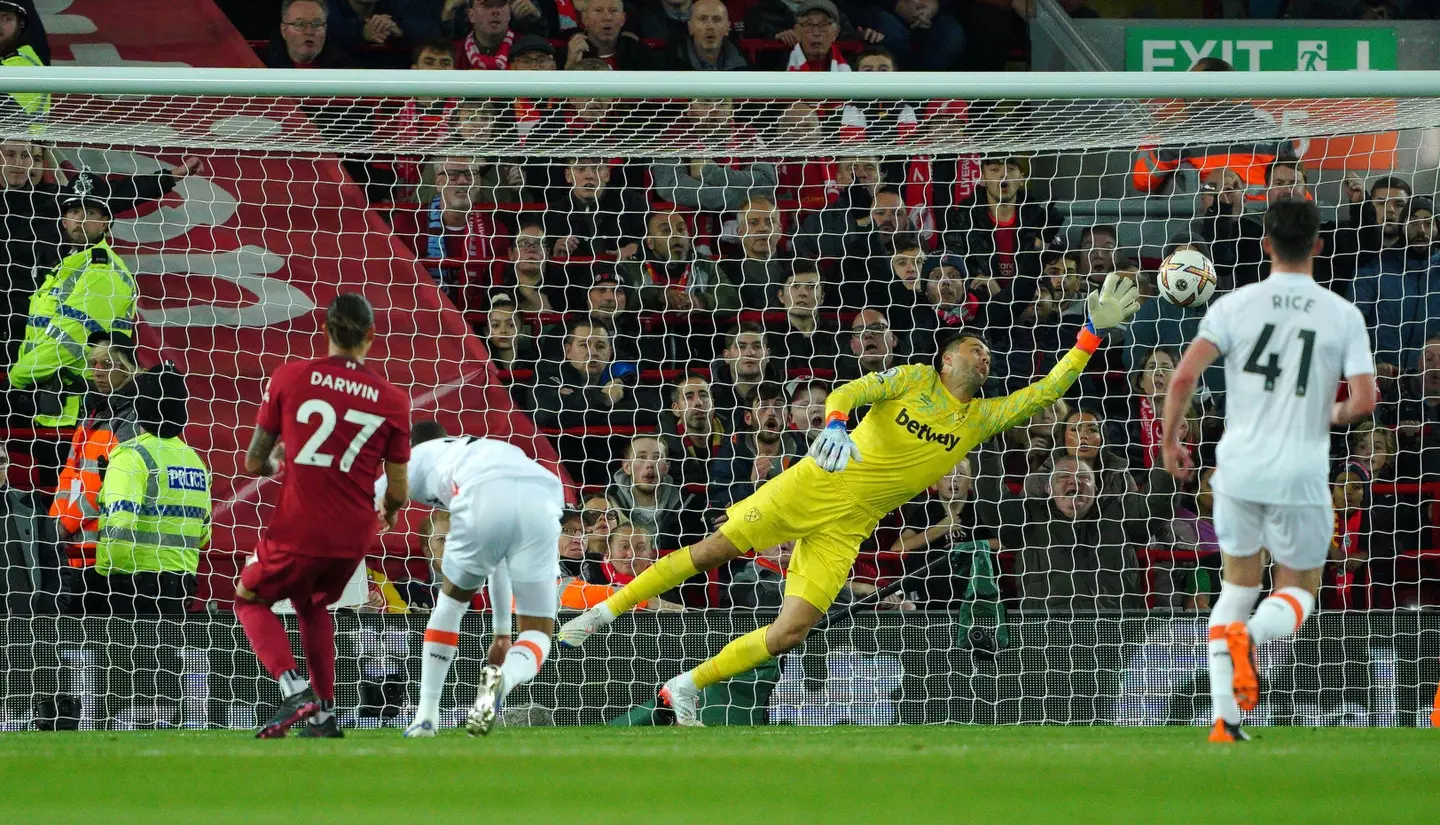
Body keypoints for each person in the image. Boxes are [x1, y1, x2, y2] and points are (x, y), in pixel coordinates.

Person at [559, 273, 1140, 724]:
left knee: (791, 631)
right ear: (946, 359)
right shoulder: (914, 379)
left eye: (987, 352)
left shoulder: (982, 418)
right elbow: (848, 388)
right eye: (972, 347)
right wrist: (835, 423)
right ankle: (601, 613)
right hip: (814, 484)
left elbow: (1049, 388)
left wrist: (1090, 333)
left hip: (851, 525)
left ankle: (685, 686)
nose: (983, 355)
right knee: (714, 551)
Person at [1160, 198, 1378, 744]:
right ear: (1319, 246)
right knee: (1300, 589)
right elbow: (1366, 401)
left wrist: (1169, 443)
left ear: (1264, 244)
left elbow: (1183, 377)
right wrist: (1329, 412)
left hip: (1237, 470)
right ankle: (1252, 641)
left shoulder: (1234, 306)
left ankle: (1226, 722)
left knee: (1235, 588)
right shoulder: (1341, 313)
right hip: (1301, 472)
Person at [235, 294, 412, 739]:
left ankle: (295, 689)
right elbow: (398, 489)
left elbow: (254, 463)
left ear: (327, 331)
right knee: (311, 603)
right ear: (371, 336)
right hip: (354, 534)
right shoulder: (392, 399)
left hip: (300, 524)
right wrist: (387, 513)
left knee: (247, 597)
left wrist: (279, 463)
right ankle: (324, 717)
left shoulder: (290, 377)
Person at [397, 420, 565, 737]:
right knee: (539, 633)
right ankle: (505, 680)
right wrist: (502, 633)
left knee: (449, 604)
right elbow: (498, 557)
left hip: (486, 498)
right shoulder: (485, 448)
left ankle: (426, 718)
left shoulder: (419, 463)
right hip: (543, 497)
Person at [8, 176, 139, 428]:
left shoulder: (103, 272)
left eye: (90, 212)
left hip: (77, 408)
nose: (81, 219)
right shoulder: (67, 266)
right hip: (48, 402)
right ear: (64, 221)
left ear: (105, 223)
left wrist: (17, 377)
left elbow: (70, 341)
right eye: (74, 211)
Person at [91, 367, 209, 616]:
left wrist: (107, 573)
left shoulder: (130, 456)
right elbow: (204, 533)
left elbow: (121, 521)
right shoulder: (195, 461)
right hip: (180, 583)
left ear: (141, 406)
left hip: (131, 584)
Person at [51, 332, 142, 606]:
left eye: (106, 364)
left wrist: (61, 526)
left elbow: (101, 483)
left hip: (109, 559)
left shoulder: (134, 417)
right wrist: (53, 524)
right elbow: (69, 473)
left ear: (125, 366)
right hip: (78, 553)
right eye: (93, 364)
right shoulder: (94, 414)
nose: (96, 372)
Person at [262, 0, 354, 68]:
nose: (309, 32)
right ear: (284, 31)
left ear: (325, 29)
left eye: (317, 24)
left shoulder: (345, 68)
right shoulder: (261, 65)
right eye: (300, 24)